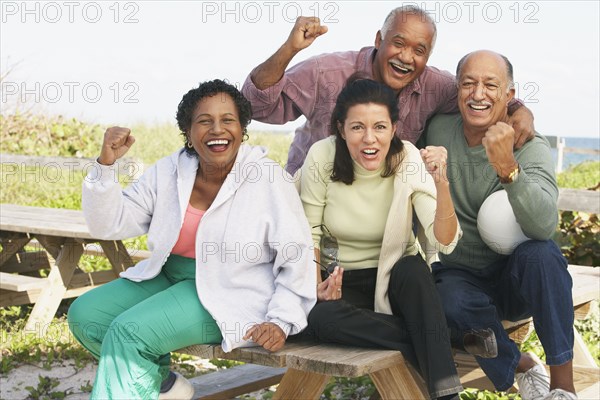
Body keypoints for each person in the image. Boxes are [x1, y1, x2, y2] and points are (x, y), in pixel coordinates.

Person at [67, 79, 316, 399]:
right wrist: (106, 167)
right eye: (204, 121)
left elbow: (296, 255)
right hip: (171, 276)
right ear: (188, 130)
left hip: (231, 291)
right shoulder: (169, 171)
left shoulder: (267, 179)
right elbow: (109, 225)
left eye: (228, 120)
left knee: (130, 332)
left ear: (242, 128)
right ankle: (164, 386)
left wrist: (283, 320)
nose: (217, 129)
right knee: (87, 316)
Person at [299, 74, 463, 400]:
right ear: (341, 129)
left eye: (380, 127)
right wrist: (317, 287)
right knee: (319, 318)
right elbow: (309, 233)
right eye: (357, 127)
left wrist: (441, 183)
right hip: (341, 281)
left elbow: (444, 240)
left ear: (394, 129)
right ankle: (446, 338)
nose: (369, 138)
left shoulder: (408, 160)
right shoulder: (322, 156)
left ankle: (448, 395)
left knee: (413, 268)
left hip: (397, 280)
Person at [423, 50, 576, 400]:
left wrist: (508, 168)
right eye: (468, 84)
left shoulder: (530, 146)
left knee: (543, 254)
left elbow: (543, 225)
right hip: (461, 275)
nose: (478, 94)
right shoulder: (437, 129)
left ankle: (563, 386)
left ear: (509, 96)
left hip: (516, 278)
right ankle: (520, 365)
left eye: (491, 85)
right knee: (446, 299)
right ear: (456, 91)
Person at [241, 5, 535, 174]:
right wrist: (289, 49)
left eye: (419, 50)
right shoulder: (326, 72)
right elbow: (256, 107)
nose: (407, 57)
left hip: (378, 214)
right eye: (399, 43)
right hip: (311, 199)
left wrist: (519, 109)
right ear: (379, 39)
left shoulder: (436, 86)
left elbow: (476, 95)